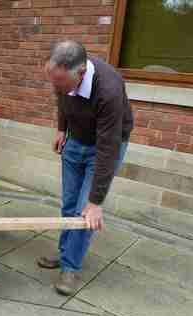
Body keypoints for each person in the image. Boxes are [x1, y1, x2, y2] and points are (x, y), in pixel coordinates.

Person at [39, 40, 134, 295]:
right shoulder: (62, 76)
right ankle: (64, 252)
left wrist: (96, 201)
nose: (55, 87)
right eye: (53, 80)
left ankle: (71, 267)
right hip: (75, 140)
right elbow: (62, 98)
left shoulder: (109, 91)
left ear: (80, 74)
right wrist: (62, 128)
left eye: (60, 82)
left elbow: (108, 149)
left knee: (84, 211)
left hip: (103, 148)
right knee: (69, 204)